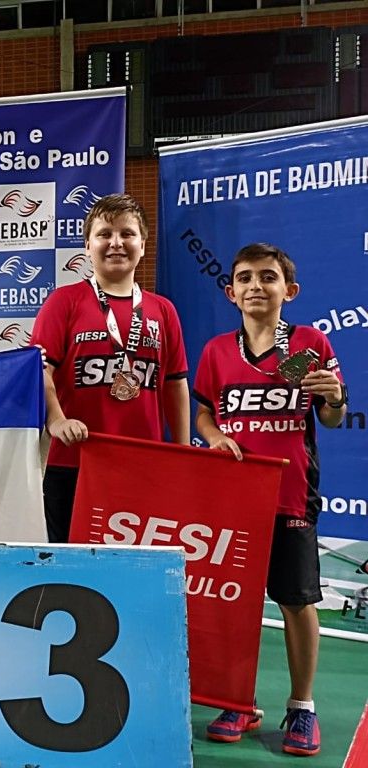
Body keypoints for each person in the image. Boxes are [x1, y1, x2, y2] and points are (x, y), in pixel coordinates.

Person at [195, 243, 345, 758]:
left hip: (289, 496)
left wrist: (334, 397)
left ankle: (302, 706)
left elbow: (329, 417)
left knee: (297, 600)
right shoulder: (216, 351)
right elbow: (204, 415)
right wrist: (213, 436)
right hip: (233, 501)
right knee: (235, 605)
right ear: (231, 291)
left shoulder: (307, 344)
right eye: (245, 278)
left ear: (289, 290)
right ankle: (238, 700)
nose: (256, 285)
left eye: (268, 277)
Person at [30, 193, 190, 543]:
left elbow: (175, 384)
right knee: (68, 562)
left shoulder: (163, 310)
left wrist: (181, 453)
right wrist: (57, 421)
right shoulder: (64, 302)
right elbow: (40, 371)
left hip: (142, 464)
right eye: (105, 234)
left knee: (135, 562)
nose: (115, 243)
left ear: (143, 245)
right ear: (88, 245)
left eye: (126, 234)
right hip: (73, 463)